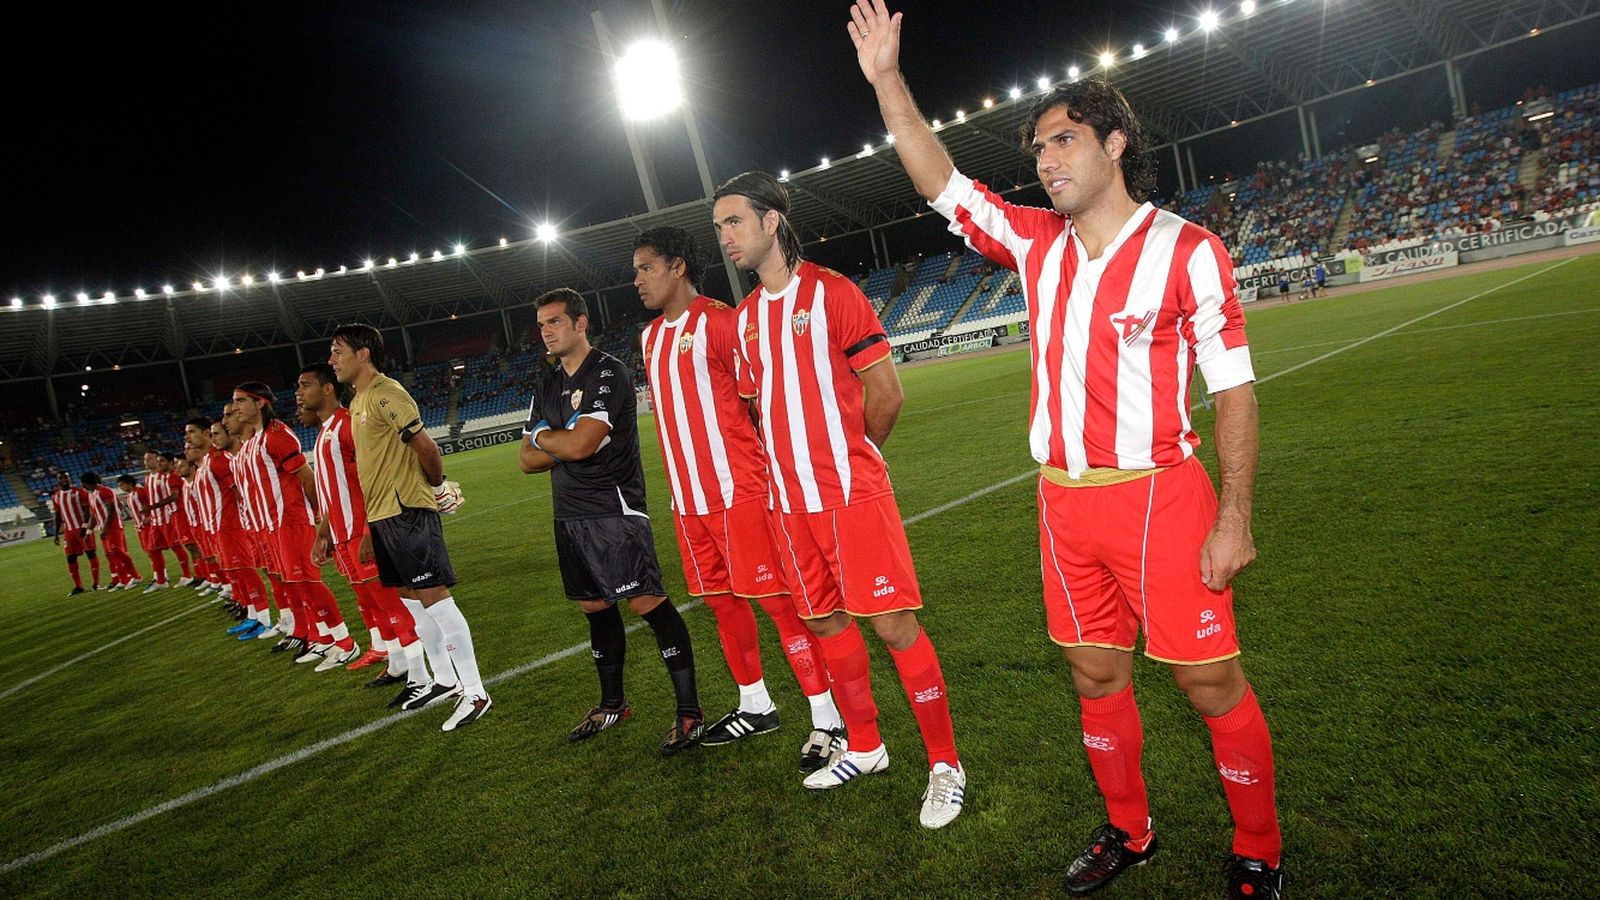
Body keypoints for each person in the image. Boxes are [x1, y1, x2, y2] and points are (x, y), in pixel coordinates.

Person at [848, 1, 1282, 894]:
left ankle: (1259, 848)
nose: (1046, 161)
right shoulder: (1035, 243)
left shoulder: (1187, 251)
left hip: (1161, 496)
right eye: (1038, 149)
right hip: (1062, 500)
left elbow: (1233, 389)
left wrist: (1234, 514)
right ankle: (1130, 831)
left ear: (1115, 142)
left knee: (1209, 685)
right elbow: (941, 184)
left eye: (1063, 141)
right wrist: (888, 81)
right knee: (1092, 673)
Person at [712, 170, 965, 828]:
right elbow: (756, 409)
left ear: (772, 221)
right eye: (718, 228)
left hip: (850, 497)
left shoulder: (832, 293)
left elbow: (886, 392)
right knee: (824, 621)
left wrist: (861, 457)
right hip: (787, 507)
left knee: (892, 625)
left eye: (735, 221)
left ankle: (944, 763)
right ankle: (867, 745)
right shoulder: (742, 324)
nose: (726, 237)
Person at [632, 225, 844, 770]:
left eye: (646, 267)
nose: (637, 280)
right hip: (688, 501)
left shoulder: (721, 322)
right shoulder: (650, 338)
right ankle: (756, 704)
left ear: (678, 266)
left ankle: (828, 718)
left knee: (778, 604)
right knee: (722, 604)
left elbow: (759, 401)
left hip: (739, 493)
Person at [518, 288, 705, 755]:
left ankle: (689, 713)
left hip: (612, 507)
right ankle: (612, 704)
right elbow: (526, 459)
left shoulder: (608, 372)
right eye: (542, 324)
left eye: (555, 321)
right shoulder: (547, 381)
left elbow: (582, 446)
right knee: (594, 608)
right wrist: (555, 437)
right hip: (569, 512)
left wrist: (550, 438)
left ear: (581, 324)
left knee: (647, 603)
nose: (546, 331)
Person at [330, 323, 489, 731]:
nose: (333, 360)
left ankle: (475, 692)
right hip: (384, 515)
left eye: (338, 351)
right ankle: (444, 678)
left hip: (406, 510)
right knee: (408, 595)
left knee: (434, 595)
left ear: (363, 353)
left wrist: (436, 488)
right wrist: (370, 525)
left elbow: (427, 447)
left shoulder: (387, 393)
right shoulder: (359, 400)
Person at [296, 362, 428, 690]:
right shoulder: (324, 432)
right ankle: (397, 663)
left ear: (327, 389)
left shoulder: (347, 425)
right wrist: (323, 532)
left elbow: (373, 477)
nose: (299, 393)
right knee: (370, 601)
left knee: (389, 601)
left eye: (305, 385)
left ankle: (420, 673)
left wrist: (371, 530)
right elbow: (331, 489)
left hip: (361, 530)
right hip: (342, 533)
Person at [232, 381, 362, 671]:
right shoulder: (255, 441)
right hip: (271, 526)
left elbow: (306, 476)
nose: (236, 407)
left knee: (309, 583)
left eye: (241, 401)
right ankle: (323, 637)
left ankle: (345, 642)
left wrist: (318, 516)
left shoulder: (277, 436)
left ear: (260, 403)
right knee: (296, 584)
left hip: (292, 522)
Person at [82, 472, 141, 590]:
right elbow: (93, 514)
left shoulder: (104, 491)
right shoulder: (92, 494)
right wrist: (89, 531)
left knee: (118, 552)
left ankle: (134, 576)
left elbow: (112, 510)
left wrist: (105, 528)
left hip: (112, 527)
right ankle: (123, 579)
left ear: (87, 483)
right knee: (111, 555)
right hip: (104, 528)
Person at [50, 471, 98, 595]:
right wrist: (56, 534)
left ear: (70, 478)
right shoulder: (56, 496)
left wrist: (85, 526)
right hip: (69, 531)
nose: (64, 480)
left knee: (90, 554)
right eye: (61, 478)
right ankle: (78, 586)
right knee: (71, 558)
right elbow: (58, 515)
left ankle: (95, 583)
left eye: (66, 477)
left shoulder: (79, 491)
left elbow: (87, 510)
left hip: (82, 528)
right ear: (58, 480)